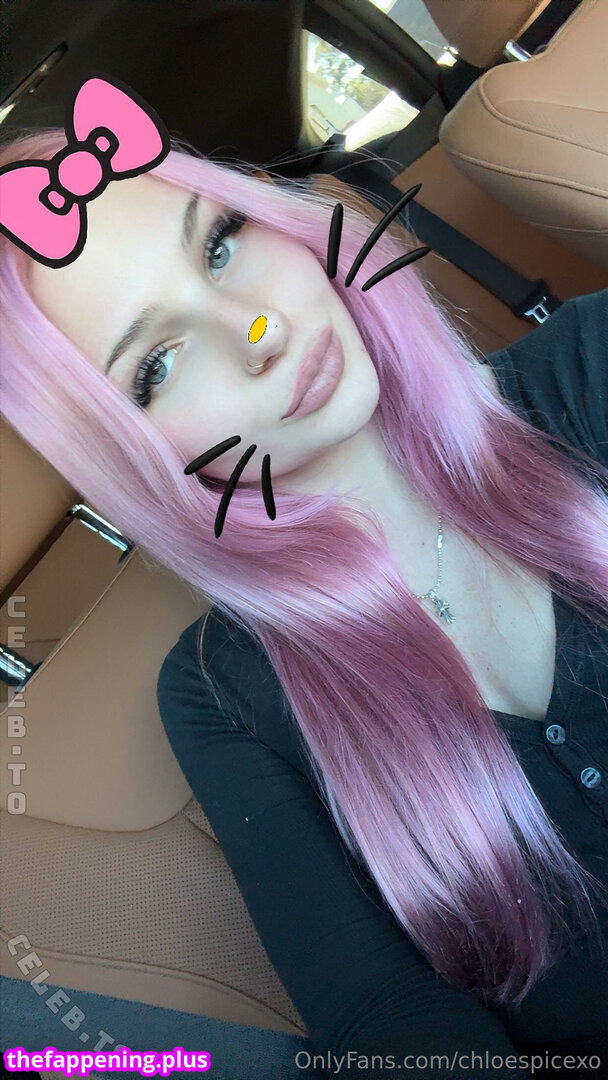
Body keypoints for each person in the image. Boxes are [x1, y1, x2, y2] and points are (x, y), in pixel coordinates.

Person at [1, 125, 607, 1080]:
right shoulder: (223, 692)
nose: (259, 331)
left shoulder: (593, 367)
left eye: (220, 242)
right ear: (130, 456)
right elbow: (384, 1011)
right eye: (155, 366)